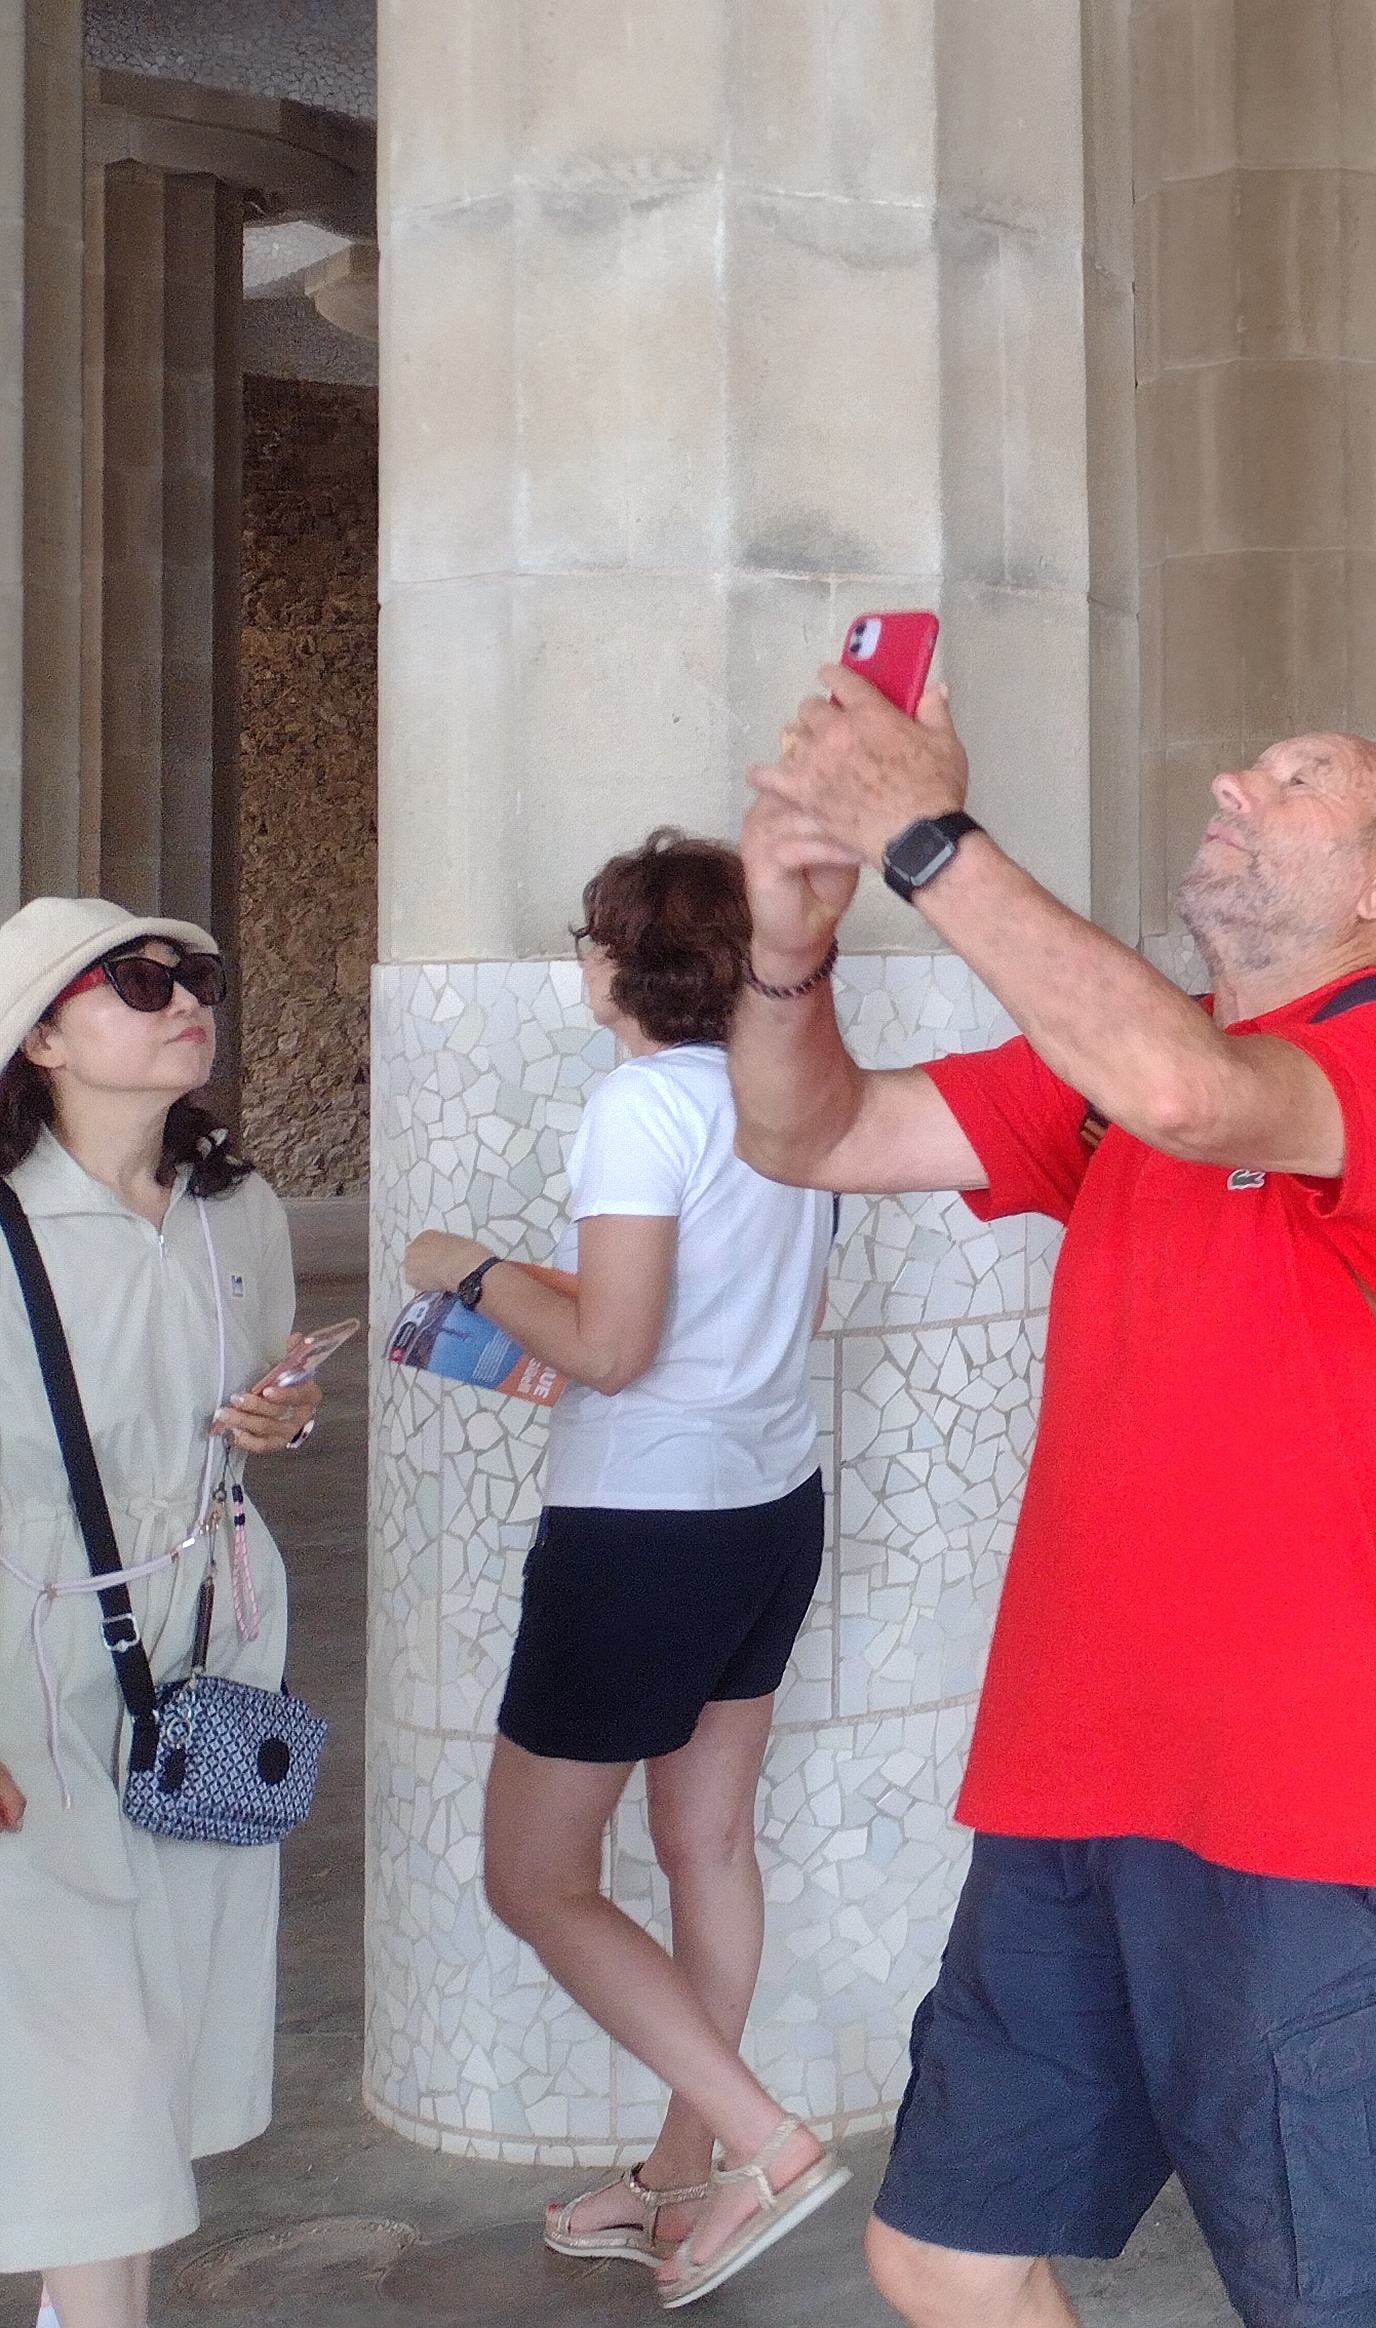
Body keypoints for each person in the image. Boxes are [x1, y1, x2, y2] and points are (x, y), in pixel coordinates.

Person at [727, 673, 1376, 2328]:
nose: (1232, 782)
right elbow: (815, 1133)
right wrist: (789, 942)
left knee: (1345, 2307)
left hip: (1304, 1799)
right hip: (1073, 1777)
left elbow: (1190, 1095)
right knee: (941, 2254)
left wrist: (925, 833)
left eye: (1296, 778)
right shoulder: (1109, 1070)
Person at [398, 832, 845, 2304]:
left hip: (645, 1529)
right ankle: (680, 2178)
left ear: (616, 967)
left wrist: (467, 1271)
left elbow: (613, 1349)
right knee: (707, 1847)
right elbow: (733, 1316)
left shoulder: (641, 1104)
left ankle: (765, 2146)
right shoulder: (785, 1092)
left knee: (534, 1876)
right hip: (769, 1506)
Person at [0, 903, 315, 2328]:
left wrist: (282, 1420)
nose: (185, 998)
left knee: (163, 2022)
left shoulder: (236, 1209)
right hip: (30, 1654)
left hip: (214, 1641)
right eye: (137, 981)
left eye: (197, 977)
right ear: (43, 1038)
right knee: (88, 2052)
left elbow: (259, 1400)